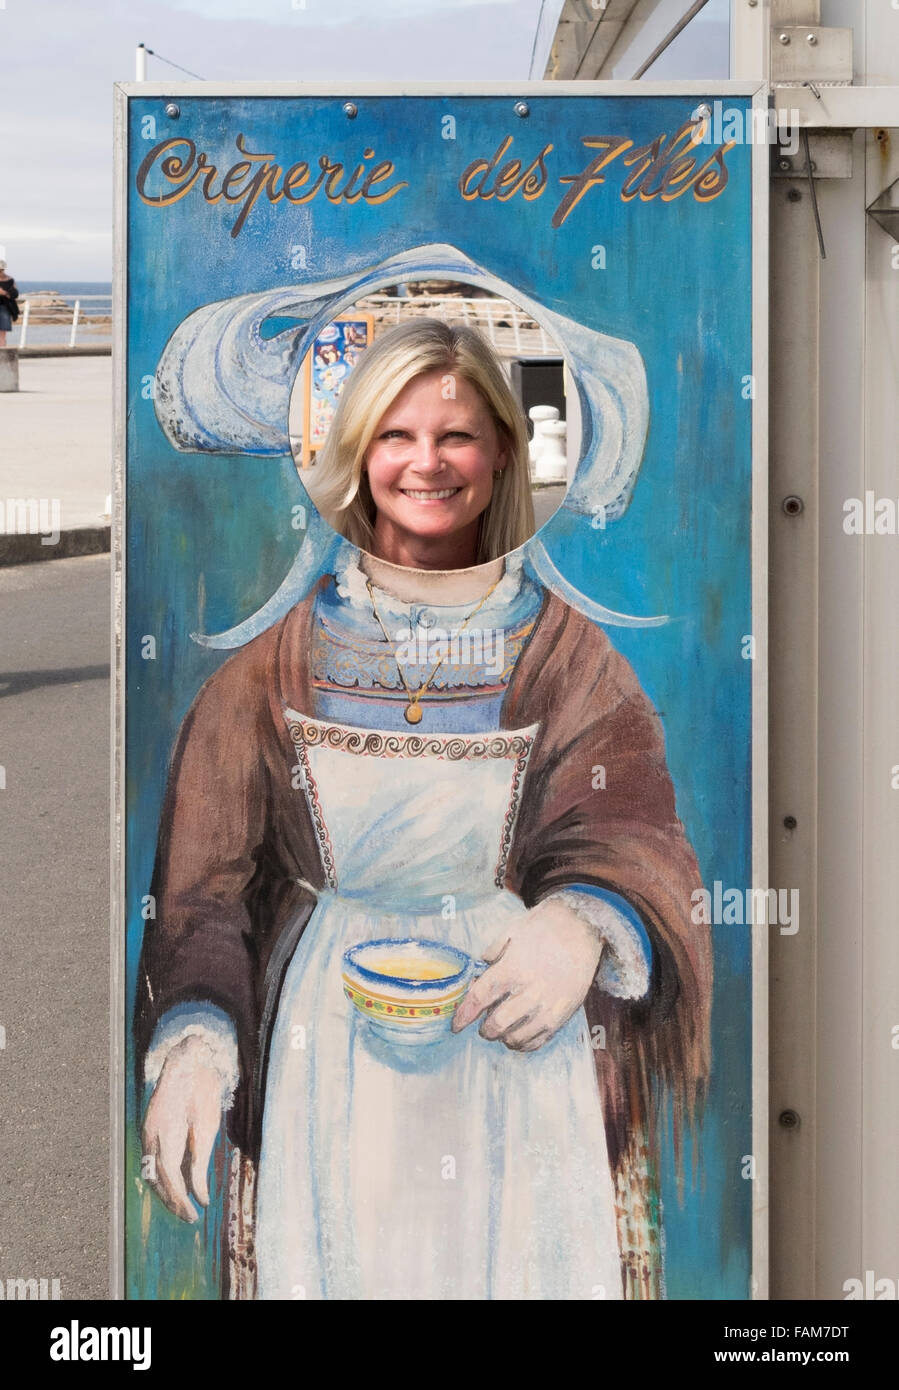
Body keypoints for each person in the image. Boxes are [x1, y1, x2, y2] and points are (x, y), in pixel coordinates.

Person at [135, 318, 712, 1300]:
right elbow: (204, 888)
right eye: (396, 436)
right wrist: (197, 1043)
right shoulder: (264, 673)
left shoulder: (570, 664)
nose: (425, 463)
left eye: (455, 436)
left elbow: (635, 833)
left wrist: (579, 924)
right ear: (355, 457)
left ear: (501, 455)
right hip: (327, 1069)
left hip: (516, 1059)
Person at [0, 261, 19, 346]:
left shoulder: (10, 280)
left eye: (1, 270)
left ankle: (2, 353)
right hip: (4, 308)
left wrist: (3, 293)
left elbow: (14, 294)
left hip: (5, 308)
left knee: (2, 333)